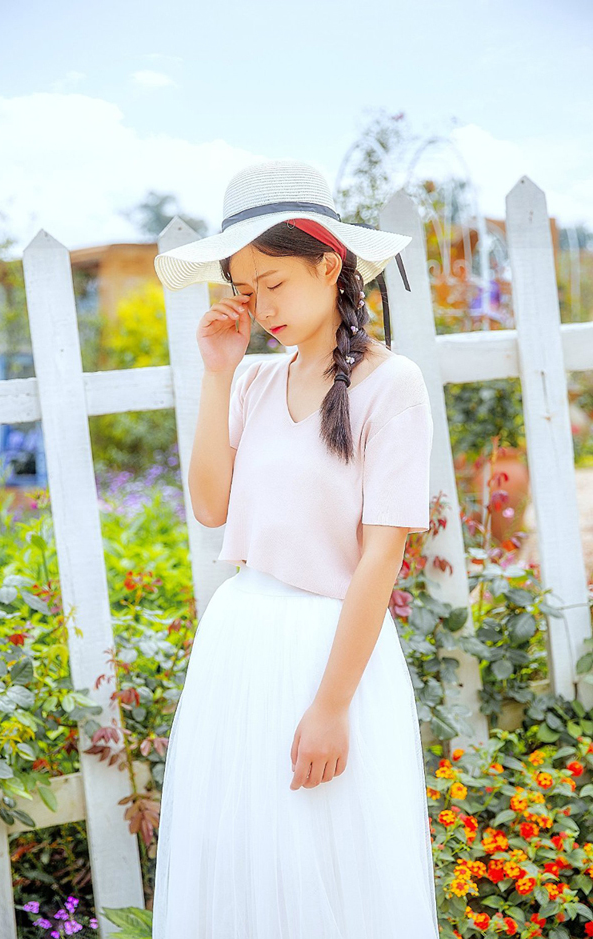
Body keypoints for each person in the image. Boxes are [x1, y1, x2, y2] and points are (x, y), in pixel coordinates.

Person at [151, 159, 440, 938]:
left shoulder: (392, 384)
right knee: (248, 873)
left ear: (329, 263)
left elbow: (381, 558)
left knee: (338, 878)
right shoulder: (250, 383)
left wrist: (332, 706)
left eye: (274, 282)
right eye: (246, 289)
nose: (261, 306)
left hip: (332, 655)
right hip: (241, 648)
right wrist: (218, 373)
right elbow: (212, 506)